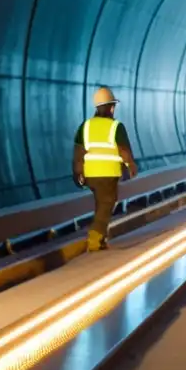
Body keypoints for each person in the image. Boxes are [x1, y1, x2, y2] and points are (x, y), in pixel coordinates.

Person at [72, 86, 139, 252]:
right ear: (111, 107)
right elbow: (123, 150)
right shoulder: (116, 126)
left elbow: (78, 152)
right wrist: (131, 165)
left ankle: (101, 239)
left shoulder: (85, 126)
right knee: (107, 204)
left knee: (101, 204)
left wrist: (78, 172)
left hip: (90, 174)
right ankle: (95, 238)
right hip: (108, 173)